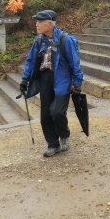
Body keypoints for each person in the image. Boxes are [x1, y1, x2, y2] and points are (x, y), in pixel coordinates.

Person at [20, 10, 84, 158]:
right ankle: (52, 144)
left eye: (39, 22)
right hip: (45, 78)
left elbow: (74, 63)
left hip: (62, 79)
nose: (36, 25)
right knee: (45, 114)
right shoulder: (39, 40)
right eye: (36, 22)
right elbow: (31, 60)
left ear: (50, 24)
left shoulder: (66, 40)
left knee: (57, 112)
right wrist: (25, 79)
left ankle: (64, 135)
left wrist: (77, 82)